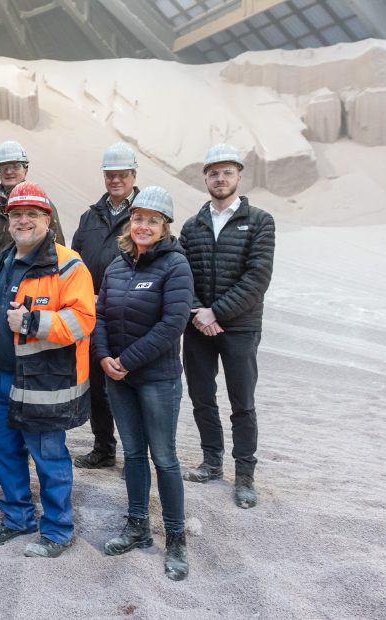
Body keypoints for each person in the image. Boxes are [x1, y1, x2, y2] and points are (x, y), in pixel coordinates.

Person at [0, 181, 95, 559]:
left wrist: (33, 322)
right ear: (7, 220)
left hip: (44, 381)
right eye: (16, 214)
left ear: (48, 219)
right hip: (1, 377)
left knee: (49, 457)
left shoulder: (69, 265)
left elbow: (83, 320)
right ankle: (18, 518)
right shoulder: (2, 261)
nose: (23, 221)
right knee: (3, 451)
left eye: (32, 214)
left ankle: (57, 530)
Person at [90, 186, 194, 581]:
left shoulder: (175, 265)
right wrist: (103, 356)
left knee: (164, 457)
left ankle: (176, 537)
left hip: (156, 380)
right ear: (129, 222)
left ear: (165, 226)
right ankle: (137, 526)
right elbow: (100, 314)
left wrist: (126, 361)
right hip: (118, 377)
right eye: (138, 218)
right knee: (133, 454)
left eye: (153, 220)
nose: (143, 226)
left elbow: (173, 324)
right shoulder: (117, 267)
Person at [180, 143, 275, 510]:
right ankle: (212, 462)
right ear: (205, 179)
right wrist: (198, 313)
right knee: (202, 397)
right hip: (197, 327)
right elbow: (182, 275)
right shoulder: (192, 226)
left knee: (242, 403)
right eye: (213, 173)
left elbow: (257, 278)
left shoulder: (260, 221)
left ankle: (245, 475)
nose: (220, 179)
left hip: (240, 327)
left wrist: (215, 313)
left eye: (227, 172)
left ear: (238, 176)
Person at [70, 142, 141, 471]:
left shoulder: (143, 216)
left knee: (130, 385)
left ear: (133, 175)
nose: (115, 180)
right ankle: (103, 448)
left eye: (122, 174)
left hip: (130, 315)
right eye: (110, 174)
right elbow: (74, 262)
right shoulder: (90, 217)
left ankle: (136, 456)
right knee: (97, 386)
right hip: (92, 315)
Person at [0, 141, 66, 293]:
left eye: (15, 166)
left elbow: (57, 249)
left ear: (25, 170)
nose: (9, 172)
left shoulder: (43, 206)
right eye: (3, 167)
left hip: (33, 287)